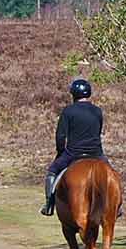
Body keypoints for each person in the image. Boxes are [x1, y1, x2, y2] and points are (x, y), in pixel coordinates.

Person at [42, 79, 105, 216]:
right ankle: (117, 206)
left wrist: (60, 152)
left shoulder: (68, 111)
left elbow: (60, 136)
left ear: (73, 94)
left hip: (73, 153)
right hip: (96, 153)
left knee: (52, 171)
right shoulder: (97, 111)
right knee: (112, 174)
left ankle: (49, 205)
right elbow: (98, 131)